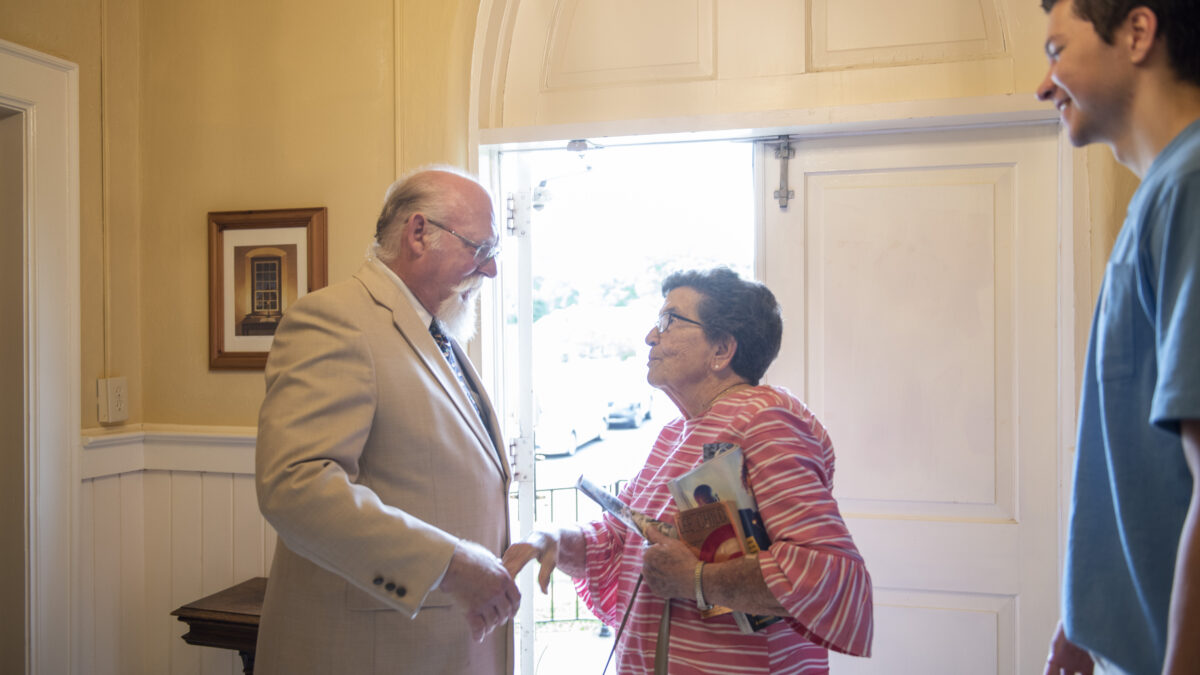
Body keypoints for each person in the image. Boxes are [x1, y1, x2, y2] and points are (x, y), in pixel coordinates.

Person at [504, 268, 874, 674]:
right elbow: (620, 540)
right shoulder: (673, 433)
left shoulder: (766, 419)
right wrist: (554, 540)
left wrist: (697, 580)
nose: (650, 336)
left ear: (721, 349)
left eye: (669, 321)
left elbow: (825, 574)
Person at [254, 167, 519, 674]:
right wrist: (449, 563)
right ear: (418, 234)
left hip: (439, 643)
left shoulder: (434, 332)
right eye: (479, 249)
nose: (489, 271)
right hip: (374, 649)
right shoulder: (335, 320)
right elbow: (296, 486)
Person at [1036, 1, 1200, 673]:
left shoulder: (1191, 186)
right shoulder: (1163, 193)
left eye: (1055, 51)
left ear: (1137, 33)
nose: (1044, 86)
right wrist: (1085, 614)